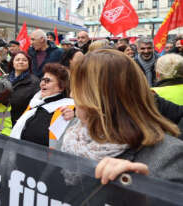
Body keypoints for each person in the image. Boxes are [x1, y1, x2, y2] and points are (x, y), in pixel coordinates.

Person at [60, 49, 183, 184]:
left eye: (78, 89)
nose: (72, 95)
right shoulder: (74, 134)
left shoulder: (168, 157)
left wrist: (144, 190)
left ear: (103, 98)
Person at [10, 63, 74, 148]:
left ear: (61, 87)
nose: (42, 83)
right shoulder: (35, 103)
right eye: (42, 80)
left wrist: (74, 116)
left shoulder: (69, 107)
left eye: (47, 81)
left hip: (46, 158)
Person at [7, 52, 40, 125]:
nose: (21, 62)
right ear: (12, 63)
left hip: (21, 121)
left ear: (29, 64)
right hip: (4, 121)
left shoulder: (35, 82)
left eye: (24, 60)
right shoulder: (5, 79)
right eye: (17, 60)